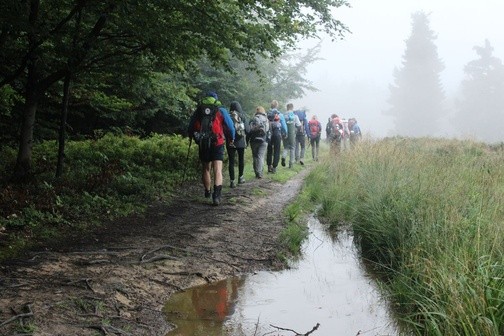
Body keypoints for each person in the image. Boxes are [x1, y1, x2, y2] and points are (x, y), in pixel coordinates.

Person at [188, 92, 235, 206]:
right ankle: (216, 196)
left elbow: (191, 126)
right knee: (218, 169)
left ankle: (207, 191)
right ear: (216, 99)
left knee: (206, 168)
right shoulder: (220, 110)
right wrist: (231, 138)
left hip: (203, 143)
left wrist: (192, 137)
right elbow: (230, 126)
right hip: (217, 142)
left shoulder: (199, 110)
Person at [226, 101, 249, 188]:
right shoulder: (242, 116)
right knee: (241, 159)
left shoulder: (228, 115)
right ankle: (241, 177)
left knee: (231, 161)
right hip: (240, 141)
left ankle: (232, 181)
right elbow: (248, 130)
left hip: (230, 140)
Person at [248, 106, 269, 178]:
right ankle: (259, 172)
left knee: (255, 156)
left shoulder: (253, 118)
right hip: (263, 140)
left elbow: (249, 130)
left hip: (253, 140)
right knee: (261, 156)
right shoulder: (266, 119)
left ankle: (256, 171)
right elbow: (267, 129)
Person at [266, 100, 287, 173]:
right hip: (277, 133)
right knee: (277, 150)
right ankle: (274, 167)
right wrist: (285, 132)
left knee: (269, 150)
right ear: (277, 106)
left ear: (271, 106)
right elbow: (284, 126)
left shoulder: (267, 114)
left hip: (269, 133)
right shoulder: (280, 114)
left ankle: (269, 166)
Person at [281, 103, 301, 168]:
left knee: (286, 147)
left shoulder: (283, 115)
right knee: (292, 148)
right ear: (292, 108)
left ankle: (283, 156)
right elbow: (299, 125)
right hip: (292, 134)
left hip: (285, 134)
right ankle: (291, 164)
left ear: (287, 108)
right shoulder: (295, 116)